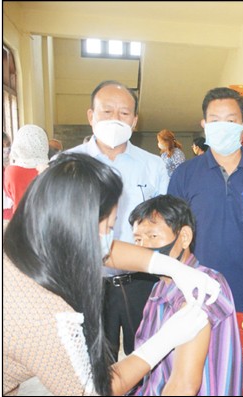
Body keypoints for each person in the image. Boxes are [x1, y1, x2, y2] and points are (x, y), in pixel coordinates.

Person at [3, 152, 221, 396]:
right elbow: (94, 392)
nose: (109, 240)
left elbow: (104, 250)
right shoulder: (45, 317)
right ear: (78, 228)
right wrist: (164, 340)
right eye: (107, 228)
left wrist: (172, 267)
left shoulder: (25, 239)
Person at [64, 80, 170, 360]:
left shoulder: (153, 166)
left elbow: (166, 224)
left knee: (149, 359)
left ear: (135, 121)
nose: (115, 119)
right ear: (91, 116)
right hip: (87, 283)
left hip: (143, 282)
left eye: (124, 113)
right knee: (95, 363)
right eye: (107, 111)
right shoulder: (67, 164)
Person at [169, 87, 243, 326]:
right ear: (204, 124)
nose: (222, 126)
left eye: (231, 120)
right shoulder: (185, 175)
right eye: (215, 120)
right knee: (203, 363)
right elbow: (172, 234)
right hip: (198, 292)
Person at [127, 195, 243, 396]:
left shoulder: (200, 289)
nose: (143, 248)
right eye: (138, 239)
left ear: (184, 237)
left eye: (153, 236)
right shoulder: (160, 286)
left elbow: (184, 387)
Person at [3, 124, 49, 219]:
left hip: (19, 220)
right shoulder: (50, 169)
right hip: (45, 220)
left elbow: (9, 195)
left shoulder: (11, 171)